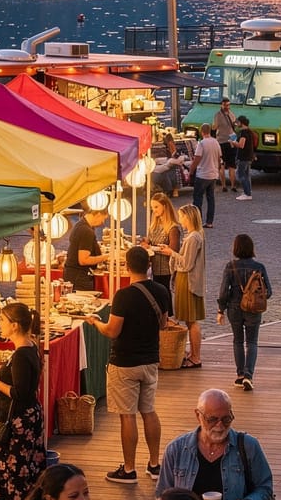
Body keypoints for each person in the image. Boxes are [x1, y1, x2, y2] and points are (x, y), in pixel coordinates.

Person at [88, 244, 165, 483]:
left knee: (127, 415)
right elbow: (163, 323)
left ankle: (129, 469)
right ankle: (154, 464)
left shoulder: (123, 295)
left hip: (124, 362)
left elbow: (112, 331)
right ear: (149, 266)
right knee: (149, 411)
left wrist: (95, 323)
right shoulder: (162, 291)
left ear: (127, 266)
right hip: (150, 359)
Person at [0, 303, 52, 500]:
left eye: (3, 321)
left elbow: (20, 393)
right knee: (23, 478)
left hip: (19, 424)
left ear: (14, 326)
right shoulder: (29, 347)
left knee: (19, 478)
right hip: (26, 420)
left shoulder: (21, 354)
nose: (0, 325)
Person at [216, 233, 272, 392]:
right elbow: (268, 291)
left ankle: (240, 375)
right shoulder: (259, 267)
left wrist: (221, 309)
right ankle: (249, 375)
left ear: (235, 248)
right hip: (253, 308)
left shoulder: (230, 266)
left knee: (238, 341)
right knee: (252, 342)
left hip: (234, 307)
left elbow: (223, 291)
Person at [168, 204, 207, 368]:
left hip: (188, 281)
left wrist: (171, 253)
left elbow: (187, 263)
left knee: (191, 321)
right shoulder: (195, 236)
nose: (180, 219)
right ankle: (193, 354)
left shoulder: (193, 238)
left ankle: (196, 356)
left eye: (182, 216)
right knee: (190, 320)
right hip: (188, 280)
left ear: (188, 217)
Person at [145, 192, 181, 317]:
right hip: (155, 267)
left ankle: (168, 318)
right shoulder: (154, 225)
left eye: (156, 207)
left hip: (166, 268)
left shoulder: (172, 227)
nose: (153, 210)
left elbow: (173, 249)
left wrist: (151, 248)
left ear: (164, 206)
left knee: (164, 293)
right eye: (152, 207)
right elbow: (149, 240)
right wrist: (145, 242)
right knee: (158, 293)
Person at [64, 208, 109, 291]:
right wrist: (106, 257)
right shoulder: (86, 231)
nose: (103, 222)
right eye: (104, 218)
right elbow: (83, 260)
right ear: (98, 214)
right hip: (79, 278)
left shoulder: (80, 225)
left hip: (72, 275)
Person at [190, 128, 222, 227]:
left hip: (202, 174)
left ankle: (197, 222)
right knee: (211, 198)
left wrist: (191, 170)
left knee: (198, 198)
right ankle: (209, 222)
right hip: (213, 175)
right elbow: (219, 158)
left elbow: (197, 158)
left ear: (202, 132)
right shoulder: (216, 142)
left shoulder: (202, 143)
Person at [211, 98, 237, 192]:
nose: (227, 107)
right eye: (226, 105)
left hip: (221, 142)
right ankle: (233, 186)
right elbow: (235, 124)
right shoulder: (232, 113)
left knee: (222, 165)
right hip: (231, 142)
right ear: (222, 105)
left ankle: (224, 186)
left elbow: (214, 127)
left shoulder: (217, 115)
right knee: (231, 165)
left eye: (227, 105)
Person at [233, 116, 256, 200]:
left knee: (240, 175)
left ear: (241, 123)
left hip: (243, 157)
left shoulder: (243, 133)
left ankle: (247, 193)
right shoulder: (249, 132)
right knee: (246, 175)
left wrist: (233, 142)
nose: (237, 124)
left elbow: (241, 145)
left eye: (238, 122)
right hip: (249, 156)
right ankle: (248, 192)